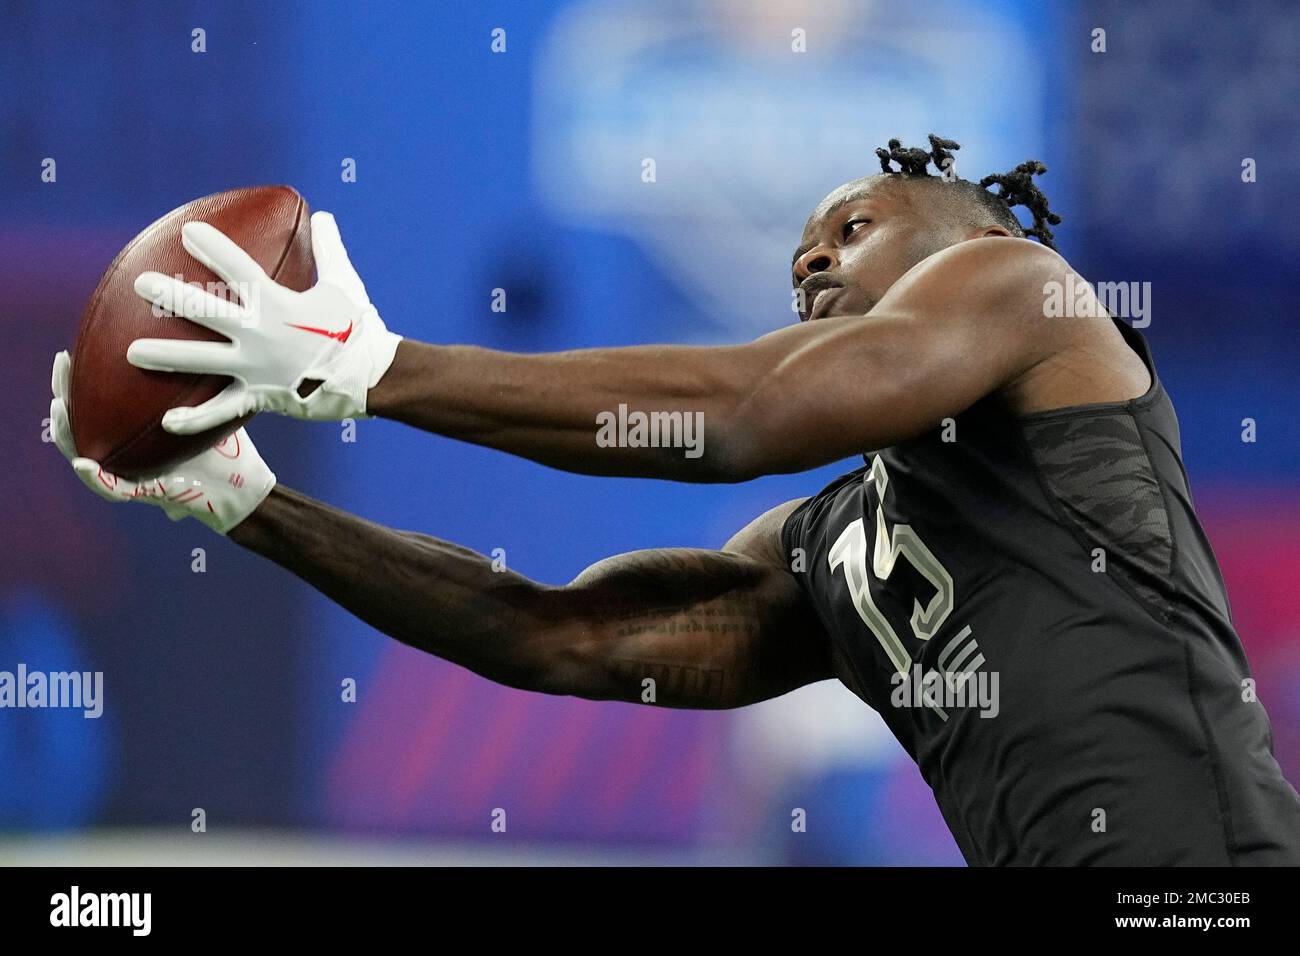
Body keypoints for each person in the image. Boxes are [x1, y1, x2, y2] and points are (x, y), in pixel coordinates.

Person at [51, 135, 1300, 865]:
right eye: (800, 249)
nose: (810, 256)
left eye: (853, 225)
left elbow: (752, 412)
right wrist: (246, 501)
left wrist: (381, 371)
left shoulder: (1024, 288)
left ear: (961, 237)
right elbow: (566, 634)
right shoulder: (839, 545)